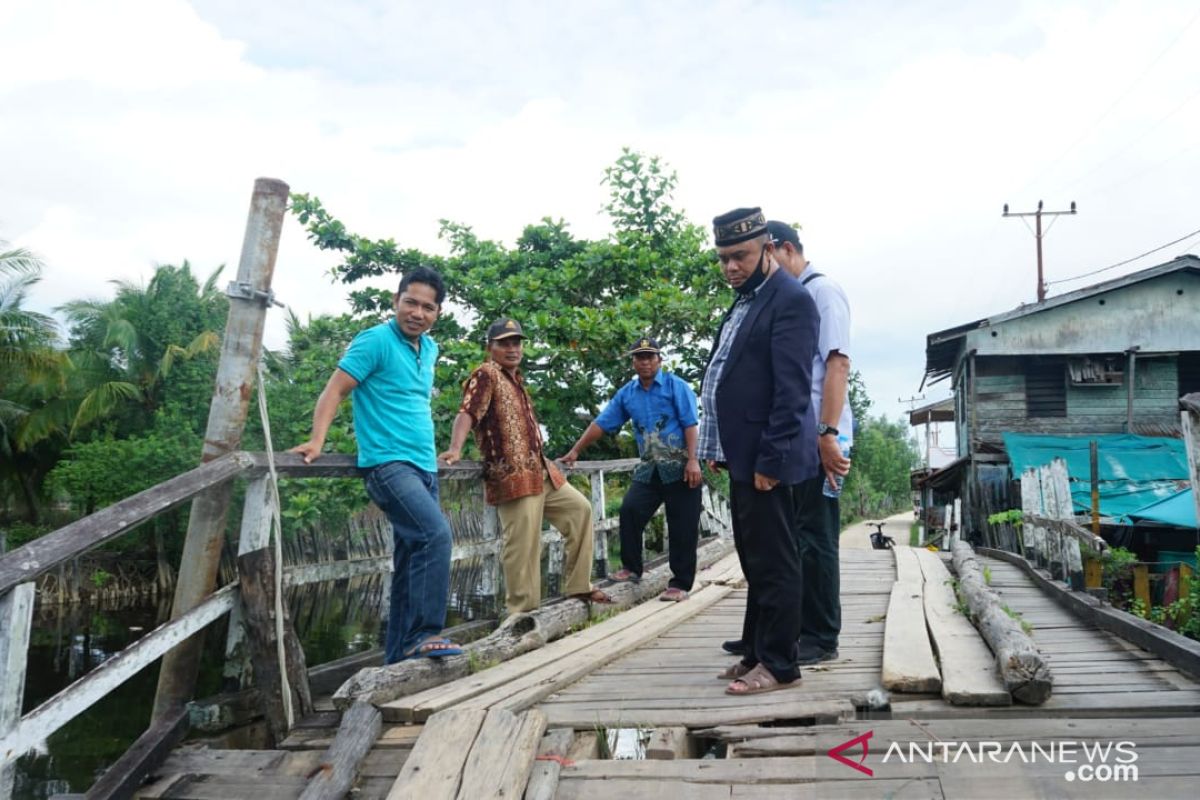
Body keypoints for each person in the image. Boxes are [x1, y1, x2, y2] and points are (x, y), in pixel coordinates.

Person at [289, 266, 462, 665]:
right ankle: (424, 634)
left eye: (428, 307)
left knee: (410, 561)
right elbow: (335, 389)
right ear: (395, 302)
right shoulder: (375, 341)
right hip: (387, 464)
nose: (417, 313)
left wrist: (446, 452)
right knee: (435, 536)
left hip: (425, 467)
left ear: (437, 313)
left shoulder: (430, 349)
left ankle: (398, 659)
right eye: (410, 303)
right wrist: (318, 440)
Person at [698, 207, 820, 696]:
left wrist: (770, 460)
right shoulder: (748, 299)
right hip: (742, 451)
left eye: (740, 256)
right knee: (754, 559)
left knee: (776, 561)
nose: (730, 267)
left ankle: (780, 664)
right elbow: (731, 373)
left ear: (768, 248)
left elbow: (791, 392)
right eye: (723, 258)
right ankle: (755, 652)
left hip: (770, 458)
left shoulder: (790, 300)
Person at [439, 317, 613, 615]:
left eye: (516, 342)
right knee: (523, 546)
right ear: (489, 347)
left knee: (581, 510)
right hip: (511, 476)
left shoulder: (515, 379)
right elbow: (467, 412)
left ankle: (578, 585)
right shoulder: (485, 374)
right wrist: (455, 448)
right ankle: (522, 614)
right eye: (504, 343)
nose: (512, 348)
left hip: (541, 472)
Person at [560, 336, 703, 602]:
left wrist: (694, 460)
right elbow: (602, 423)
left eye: (650, 356)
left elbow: (690, 424)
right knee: (630, 510)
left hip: (682, 466)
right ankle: (632, 567)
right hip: (650, 468)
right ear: (633, 362)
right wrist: (576, 450)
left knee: (682, 525)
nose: (645, 361)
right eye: (639, 357)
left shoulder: (676, 387)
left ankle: (680, 583)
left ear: (659, 360)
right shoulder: (628, 393)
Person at [768, 220, 853, 665]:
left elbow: (837, 365)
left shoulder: (822, 292)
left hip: (824, 436)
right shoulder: (793, 297)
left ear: (786, 249)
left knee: (818, 538)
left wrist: (828, 434)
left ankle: (823, 636)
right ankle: (805, 630)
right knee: (799, 537)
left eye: (767, 256)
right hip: (801, 440)